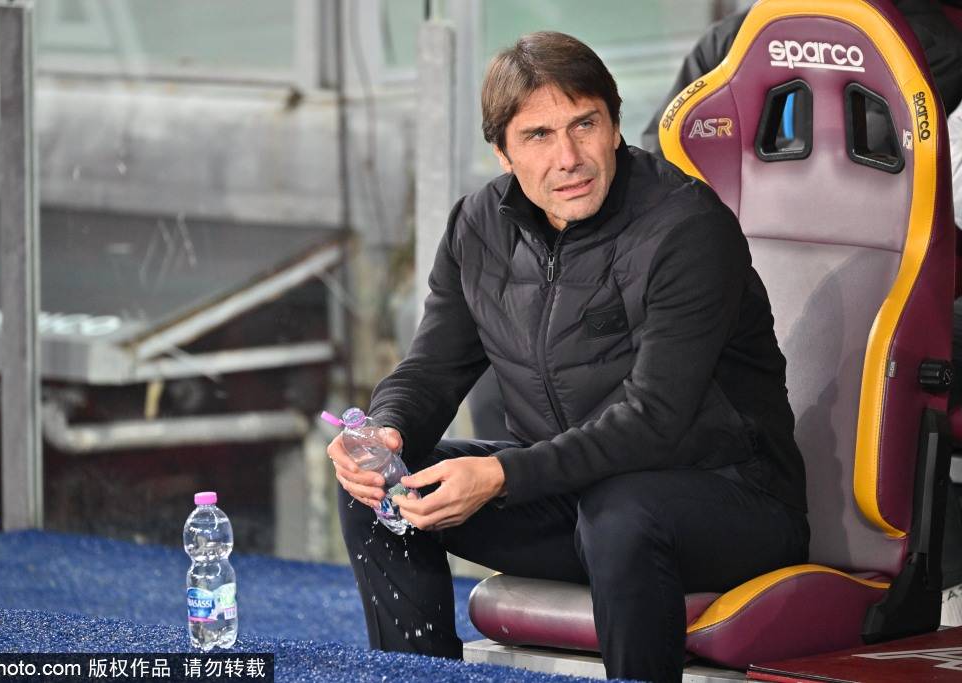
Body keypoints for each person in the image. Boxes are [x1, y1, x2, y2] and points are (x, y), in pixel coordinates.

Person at [329, 31, 809, 683]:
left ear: (615, 125)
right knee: (382, 486)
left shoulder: (687, 228)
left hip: (731, 503)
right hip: (573, 497)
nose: (569, 158)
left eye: (585, 124)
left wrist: (502, 475)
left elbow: (655, 419)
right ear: (502, 152)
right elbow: (431, 370)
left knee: (623, 513)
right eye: (538, 136)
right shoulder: (478, 227)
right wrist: (383, 433)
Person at [640, 0, 962, 154]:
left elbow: (860, 160)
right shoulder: (732, 38)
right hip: (730, 231)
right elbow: (665, 143)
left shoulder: (922, 47)